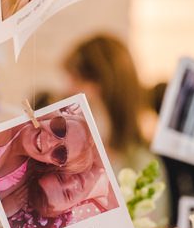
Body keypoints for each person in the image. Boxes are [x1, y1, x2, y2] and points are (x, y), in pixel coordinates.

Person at [63, 35, 156, 179]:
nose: (69, 90)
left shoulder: (142, 164)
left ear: (103, 85)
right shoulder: (66, 154)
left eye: (78, 79)